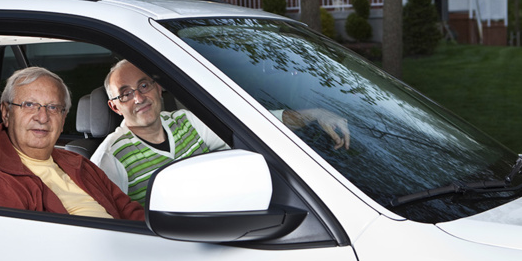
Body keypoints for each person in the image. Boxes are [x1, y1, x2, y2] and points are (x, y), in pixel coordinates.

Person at [92, 60, 350, 205]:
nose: (138, 97)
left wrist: (314, 115)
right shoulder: (111, 157)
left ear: (159, 89)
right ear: (114, 106)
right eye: (125, 93)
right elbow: (108, 222)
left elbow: (255, 125)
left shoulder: (187, 122)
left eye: (144, 85)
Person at [0, 66, 144, 221]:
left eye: (53, 107)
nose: (42, 118)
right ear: (6, 113)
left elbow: (130, 212)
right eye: (29, 105)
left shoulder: (79, 163)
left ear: (64, 118)